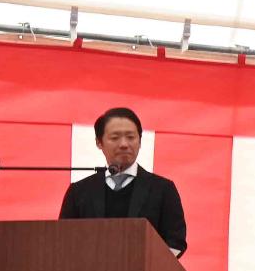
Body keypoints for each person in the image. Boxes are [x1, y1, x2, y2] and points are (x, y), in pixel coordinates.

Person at [58, 107, 187, 255]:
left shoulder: (163, 189)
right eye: (115, 138)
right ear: (99, 142)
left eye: (131, 137)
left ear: (140, 141)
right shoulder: (79, 192)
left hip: (145, 269)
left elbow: (176, 242)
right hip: (88, 269)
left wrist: (150, 262)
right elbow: (63, 240)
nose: (124, 144)